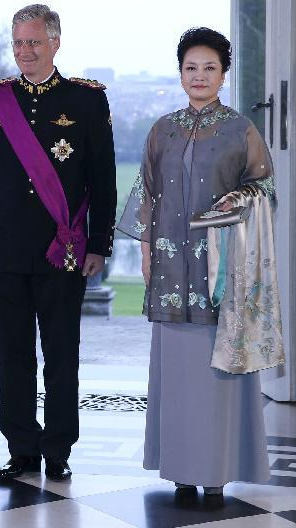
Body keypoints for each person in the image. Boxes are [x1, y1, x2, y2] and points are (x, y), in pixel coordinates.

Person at [118, 27, 275, 495]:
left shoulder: (240, 129)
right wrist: (146, 249)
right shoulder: (162, 129)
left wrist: (222, 211)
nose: (199, 76)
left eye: (209, 68)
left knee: (216, 374)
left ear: (224, 74)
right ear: (180, 73)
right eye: (191, 68)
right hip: (169, 270)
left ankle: (215, 473)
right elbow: (146, 193)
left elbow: (263, 187)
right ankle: (180, 470)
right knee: (178, 374)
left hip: (221, 271)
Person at [0, 4, 116, 481]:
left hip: (63, 249)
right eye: (17, 43)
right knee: (12, 354)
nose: (24, 51)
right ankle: (21, 447)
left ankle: (58, 448)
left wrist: (99, 243)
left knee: (60, 352)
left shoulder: (86, 100)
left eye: (33, 41)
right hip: (7, 247)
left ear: (55, 42)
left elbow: (103, 178)